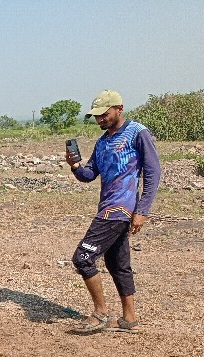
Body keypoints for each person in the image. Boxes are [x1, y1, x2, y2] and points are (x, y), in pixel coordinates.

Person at [65, 89, 161, 334]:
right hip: (108, 208)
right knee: (118, 263)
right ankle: (129, 319)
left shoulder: (137, 133)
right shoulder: (103, 142)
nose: (99, 120)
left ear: (119, 108)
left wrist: (142, 210)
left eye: (103, 115)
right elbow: (89, 175)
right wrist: (75, 165)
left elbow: (152, 172)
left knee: (82, 258)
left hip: (119, 210)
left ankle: (100, 314)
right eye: (96, 116)